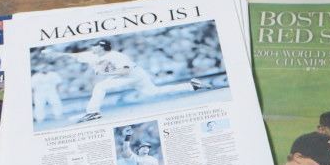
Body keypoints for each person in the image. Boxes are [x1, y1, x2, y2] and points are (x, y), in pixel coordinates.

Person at [53, 39, 211, 123]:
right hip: (128, 75)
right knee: (154, 92)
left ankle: (93, 112)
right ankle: (192, 85)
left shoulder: (116, 56)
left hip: (133, 74)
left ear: (101, 47)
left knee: (100, 86)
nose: (92, 48)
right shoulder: (93, 55)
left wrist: (108, 72)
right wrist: (57, 54)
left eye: (94, 46)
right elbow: (76, 55)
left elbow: (126, 70)